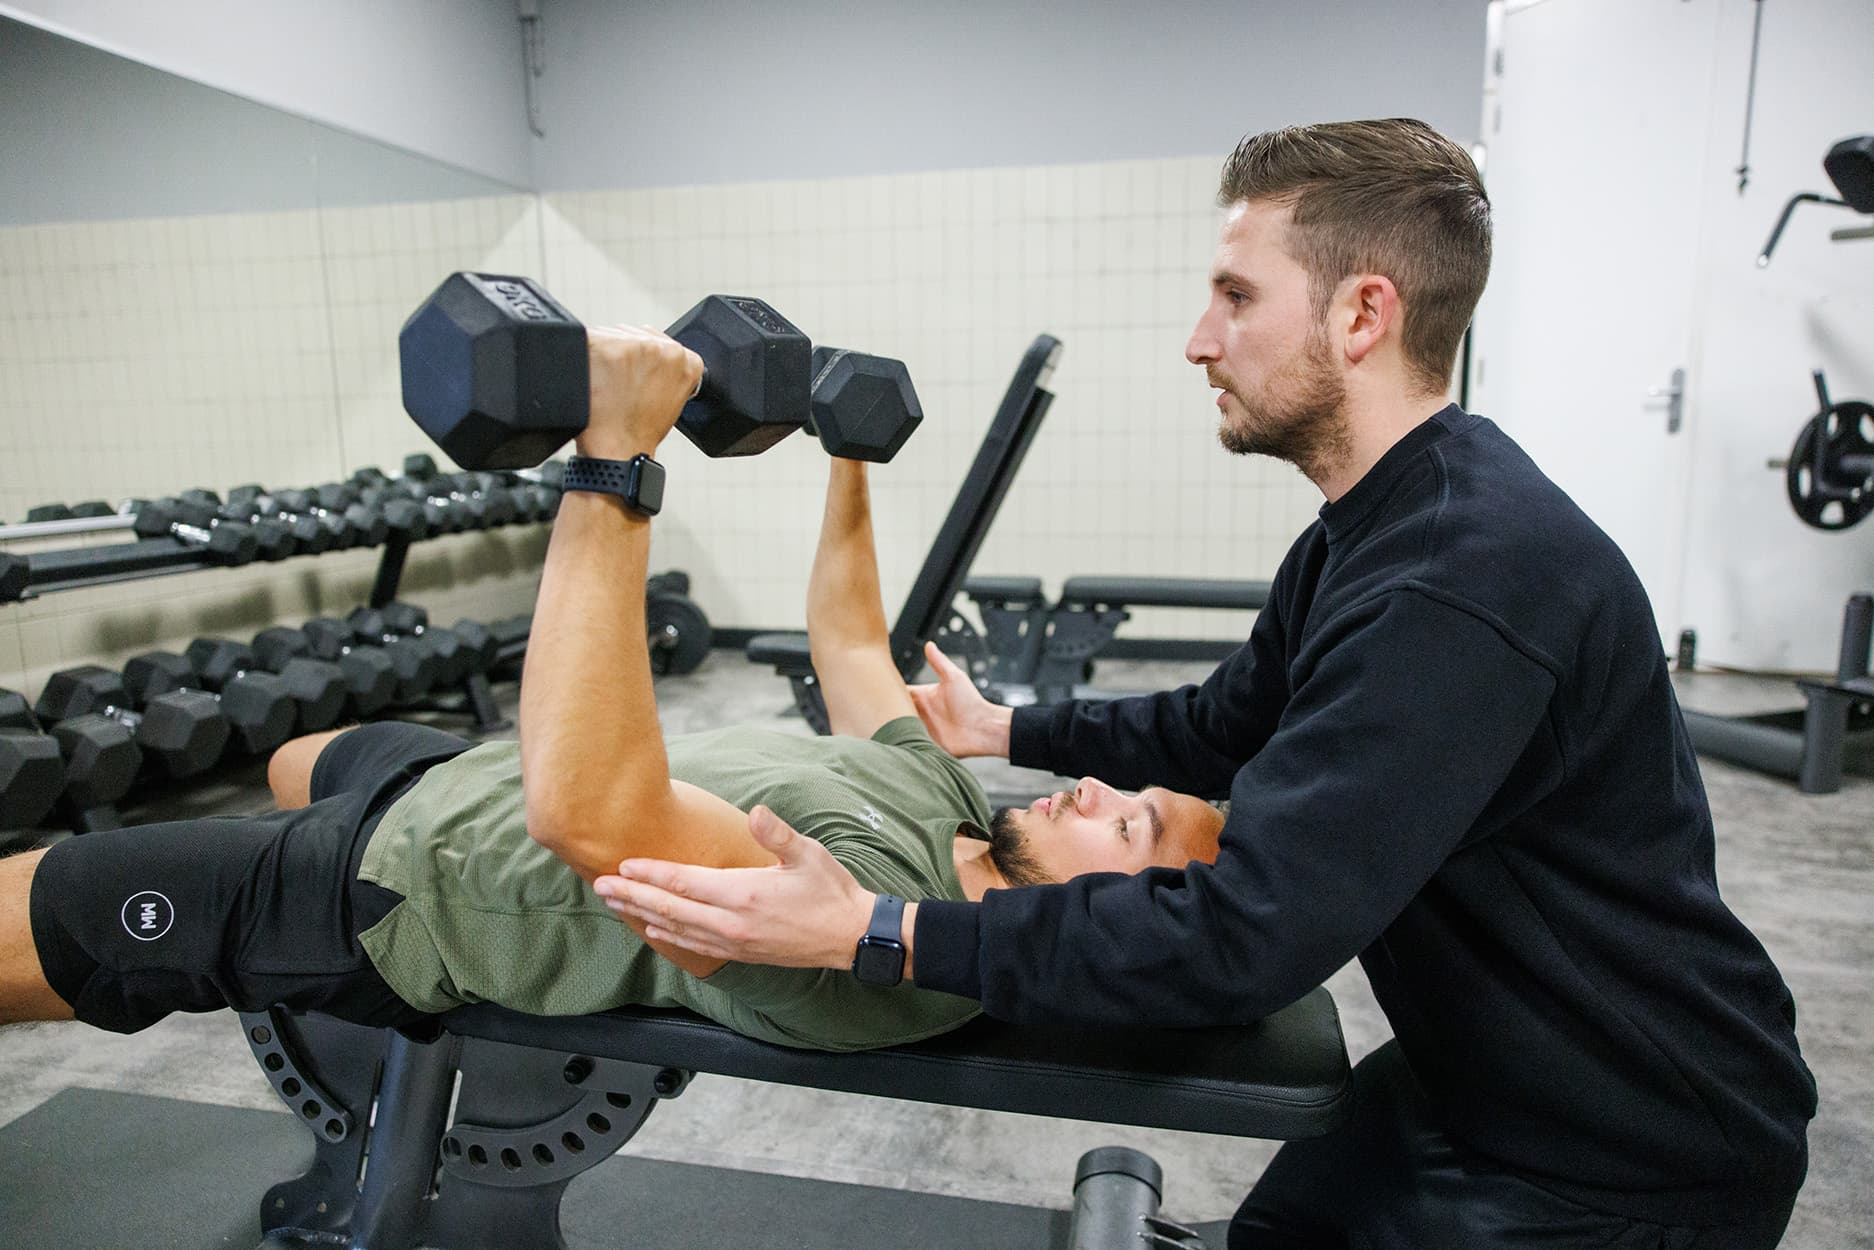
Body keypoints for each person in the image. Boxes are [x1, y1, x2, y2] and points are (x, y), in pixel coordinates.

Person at [597, 119, 1819, 1247]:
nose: (1198, 338)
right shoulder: (1376, 521)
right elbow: (1229, 721)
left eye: (1236, 297)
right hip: (1486, 1066)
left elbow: (1245, 937)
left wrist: (873, 930)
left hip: (1621, 1143)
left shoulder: (1456, 582)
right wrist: (1004, 725)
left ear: (1361, 315)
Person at [0, 332, 1226, 1053]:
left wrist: (615, 460)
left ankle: (260, 948)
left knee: (40, 907)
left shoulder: (863, 921)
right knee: (293, 755)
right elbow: (853, 643)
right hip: (447, 781)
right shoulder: (953, 805)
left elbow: (588, 812)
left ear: (1114, 936)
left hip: (403, 891)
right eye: (1130, 789)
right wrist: (849, 459)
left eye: (1131, 826)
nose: (1096, 787)